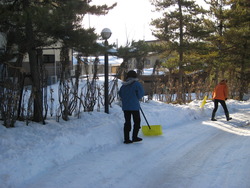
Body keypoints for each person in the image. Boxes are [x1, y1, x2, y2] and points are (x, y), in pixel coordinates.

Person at [119, 70, 145, 144]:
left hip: (126, 107)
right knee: (137, 121)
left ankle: (126, 139)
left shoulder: (124, 85)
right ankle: (134, 137)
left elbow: (120, 94)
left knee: (127, 122)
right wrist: (136, 97)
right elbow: (141, 94)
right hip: (134, 106)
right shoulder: (137, 84)